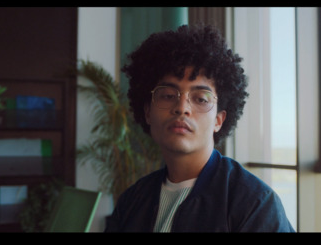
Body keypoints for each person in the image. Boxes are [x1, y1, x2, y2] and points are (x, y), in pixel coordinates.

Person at [105, 24, 294, 232]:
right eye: (168, 95)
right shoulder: (132, 201)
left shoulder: (254, 203)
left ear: (218, 120)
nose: (182, 108)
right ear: (148, 111)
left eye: (201, 99)